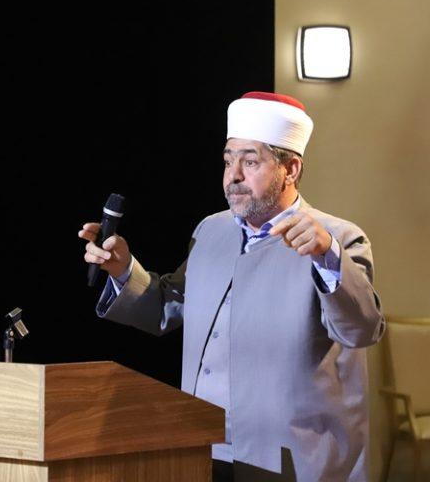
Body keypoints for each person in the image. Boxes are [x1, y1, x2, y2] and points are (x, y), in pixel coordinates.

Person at [78, 91, 384, 481]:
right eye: (228, 161)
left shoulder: (337, 238)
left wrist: (328, 255)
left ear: (290, 169)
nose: (233, 176)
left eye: (250, 161)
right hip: (203, 445)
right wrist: (123, 270)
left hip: (291, 458)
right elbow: (169, 307)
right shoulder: (211, 230)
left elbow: (361, 330)